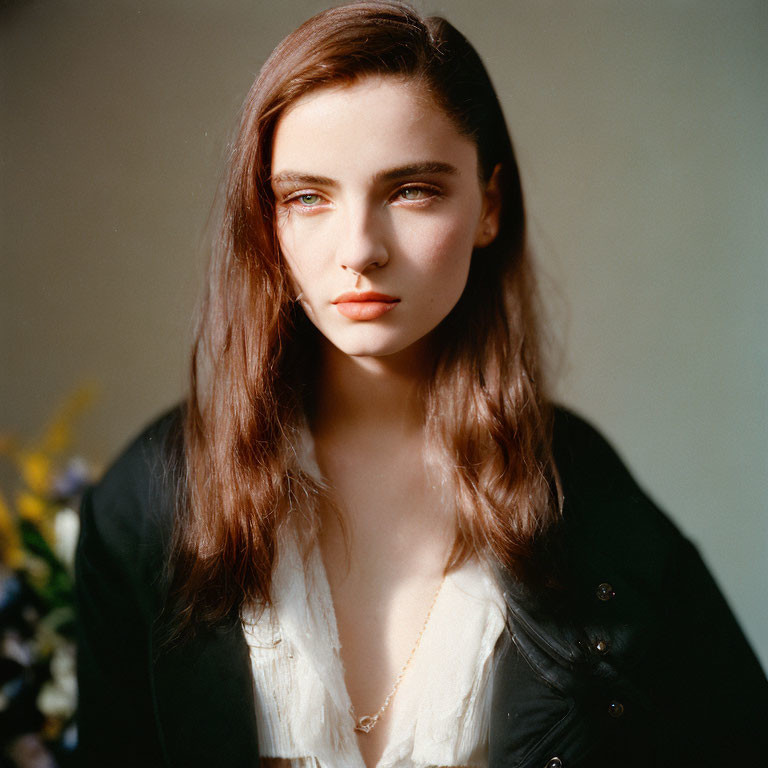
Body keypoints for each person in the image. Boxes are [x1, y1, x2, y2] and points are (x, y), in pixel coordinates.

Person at [74, 2, 768, 767]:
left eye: (411, 190)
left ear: (489, 207)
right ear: (267, 224)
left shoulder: (581, 493)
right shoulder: (149, 501)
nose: (361, 250)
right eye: (307, 197)